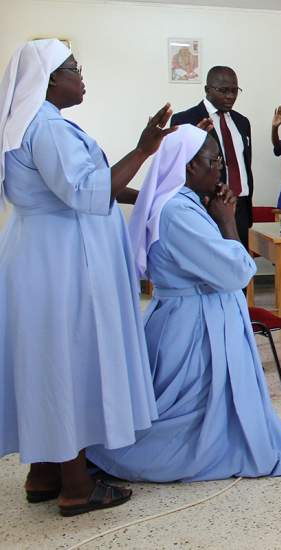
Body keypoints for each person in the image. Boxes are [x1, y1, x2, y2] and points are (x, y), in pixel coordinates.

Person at [0, 39, 173, 516]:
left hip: (39, 255)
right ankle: (76, 485)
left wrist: (143, 194)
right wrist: (144, 149)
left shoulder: (28, 124)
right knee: (67, 362)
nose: (81, 76)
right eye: (74, 68)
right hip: (63, 263)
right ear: (51, 78)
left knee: (42, 360)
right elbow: (86, 191)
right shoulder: (49, 128)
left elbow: (79, 186)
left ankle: (44, 473)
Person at [87, 125, 281, 481]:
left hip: (191, 314)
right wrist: (228, 222)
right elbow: (236, 273)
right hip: (194, 326)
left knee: (202, 409)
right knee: (190, 414)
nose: (220, 167)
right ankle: (109, 454)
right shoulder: (179, 212)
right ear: (190, 166)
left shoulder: (183, 202)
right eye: (213, 160)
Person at [171, 66, 253, 249]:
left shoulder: (242, 122)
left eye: (234, 90)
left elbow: (245, 164)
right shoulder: (185, 119)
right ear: (207, 90)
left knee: (240, 265)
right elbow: (176, 166)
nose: (230, 96)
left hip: (240, 205)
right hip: (206, 205)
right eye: (223, 90)